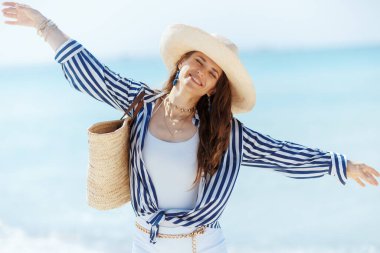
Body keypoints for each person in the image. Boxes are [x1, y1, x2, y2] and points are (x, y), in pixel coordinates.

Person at [3, 2, 380, 253]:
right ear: (182, 62)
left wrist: (341, 165)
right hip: (145, 242)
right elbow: (92, 75)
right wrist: (43, 25)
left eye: (213, 72)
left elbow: (281, 154)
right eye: (199, 61)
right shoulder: (140, 103)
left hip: (204, 245)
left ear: (215, 87)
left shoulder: (225, 133)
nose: (202, 72)